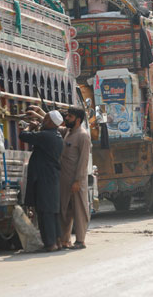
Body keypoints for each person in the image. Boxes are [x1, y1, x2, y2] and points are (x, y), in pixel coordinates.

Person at [19, 109, 65, 252]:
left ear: (51, 122)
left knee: (45, 211)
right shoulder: (56, 136)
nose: (43, 121)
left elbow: (23, 135)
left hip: (44, 178)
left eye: (45, 119)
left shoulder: (46, 136)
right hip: (50, 177)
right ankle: (57, 241)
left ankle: (50, 243)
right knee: (52, 211)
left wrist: (29, 127)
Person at [58, 107, 91, 250]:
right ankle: (65, 241)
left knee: (79, 211)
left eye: (69, 117)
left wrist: (78, 181)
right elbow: (55, 125)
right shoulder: (68, 132)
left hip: (76, 181)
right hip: (64, 180)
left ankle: (80, 240)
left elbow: (83, 161)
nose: (66, 119)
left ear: (78, 120)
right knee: (65, 211)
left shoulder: (83, 135)